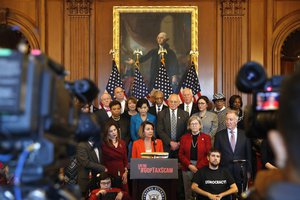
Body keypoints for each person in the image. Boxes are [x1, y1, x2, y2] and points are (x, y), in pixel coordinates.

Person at [214, 109, 252, 195]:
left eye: (231, 119)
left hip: (241, 172)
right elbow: (216, 155)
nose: (228, 122)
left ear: (236, 121)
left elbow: (248, 155)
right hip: (224, 172)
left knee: (240, 195)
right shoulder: (219, 135)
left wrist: (249, 171)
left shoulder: (245, 135)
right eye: (227, 119)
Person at [179, 115, 211, 200]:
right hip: (187, 167)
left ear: (200, 125)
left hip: (202, 167)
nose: (194, 125)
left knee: (201, 190)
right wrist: (189, 165)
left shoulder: (206, 138)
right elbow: (181, 155)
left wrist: (198, 167)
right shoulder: (184, 138)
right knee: (188, 191)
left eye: (196, 124)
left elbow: (208, 155)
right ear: (189, 126)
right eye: (192, 124)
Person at [157, 94, 189, 158]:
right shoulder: (161, 114)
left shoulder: (185, 114)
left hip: (180, 146)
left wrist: (179, 143)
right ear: (168, 102)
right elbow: (160, 130)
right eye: (171, 101)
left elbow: (187, 130)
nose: (173, 103)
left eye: (175, 102)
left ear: (179, 103)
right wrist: (170, 142)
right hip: (166, 146)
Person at [101, 121, 129, 192]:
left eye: (115, 130)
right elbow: (102, 161)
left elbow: (125, 160)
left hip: (122, 173)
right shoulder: (104, 145)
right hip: (110, 174)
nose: (114, 132)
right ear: (107, 133)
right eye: (111, 131)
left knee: (124, 194)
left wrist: (126, 173)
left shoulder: (122, 143)